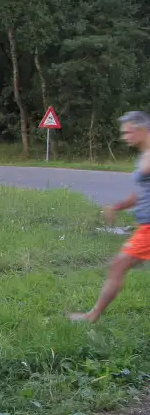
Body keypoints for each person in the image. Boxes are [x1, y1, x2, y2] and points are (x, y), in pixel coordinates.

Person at [70, 110, 150, 323]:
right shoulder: (145, 154)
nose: (124, 137)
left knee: (117, 266)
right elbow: (143, 192)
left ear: (141, 129)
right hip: (145, 227)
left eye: (128, 132)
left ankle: (92, 316)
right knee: (118, 266)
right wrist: (118, 206)